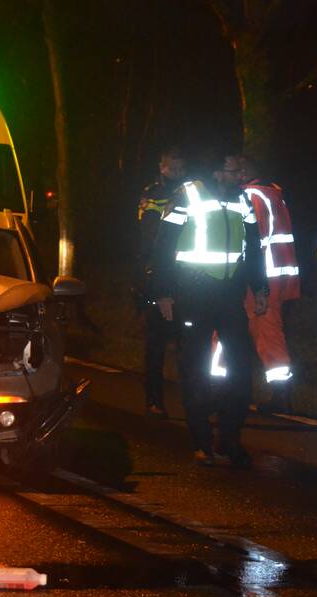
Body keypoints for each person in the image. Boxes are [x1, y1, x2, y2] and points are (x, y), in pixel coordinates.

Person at [150, 154, 268, 467]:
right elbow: (163, 245)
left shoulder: (243, 200)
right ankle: (202, 441)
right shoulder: (187, 196)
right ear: (216, 172)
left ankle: (230, 439)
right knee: (196, 369)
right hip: (194, 294)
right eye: (234, 170)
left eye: (241, 169)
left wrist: (260, 287)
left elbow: (254, 246)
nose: (240, 174)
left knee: (241, 369)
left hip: (230, 296)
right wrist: (162, 292)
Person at [237, 154, 300, 411]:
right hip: (275, 277)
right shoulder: (272, 193)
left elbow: (253, 241)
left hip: (260, 278)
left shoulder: (252, 196)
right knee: (269, 334)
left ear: (243, 172)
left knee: (265, 334)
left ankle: (277, 396)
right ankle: (279, 394)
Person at [136, 149, 185, 418]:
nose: (177, 173)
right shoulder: (152, 194)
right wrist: (152, 277)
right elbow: (149, 237)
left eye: (180, 168)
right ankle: (154, 399)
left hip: (183, 276)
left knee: (185, 344)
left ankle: (191, 397)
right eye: (172, 168)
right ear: (162, 166)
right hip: (157, 274)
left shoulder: (189, 193)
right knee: (156, 345)